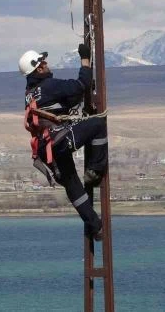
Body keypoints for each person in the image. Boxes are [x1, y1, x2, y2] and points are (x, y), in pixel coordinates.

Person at [18, 44, 109, 240]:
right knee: (98, 124)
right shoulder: (49, 86)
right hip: (58, 140)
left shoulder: (29, 94)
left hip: (45, 149)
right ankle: (95, 170)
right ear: (38, 68)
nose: (48, 64)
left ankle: (96, 227)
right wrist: (85, 60)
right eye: (44, 62)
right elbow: (81, 84)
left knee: (72, 185)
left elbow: (61, 104)